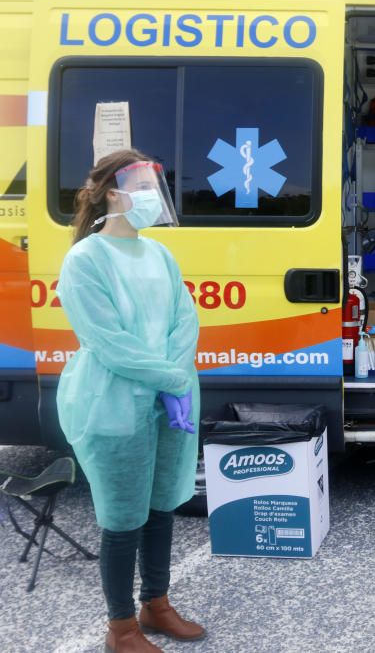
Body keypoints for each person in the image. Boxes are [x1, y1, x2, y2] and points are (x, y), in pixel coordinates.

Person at [56, 150, 204, 653]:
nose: (150, 196)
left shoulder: (159, 254)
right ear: (113, 193)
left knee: (161, 505)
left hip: (166, 398)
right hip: (113, 401)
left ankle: (155, 604)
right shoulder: (85, 260)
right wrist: (166, 378)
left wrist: (175, 381)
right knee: (123, 518)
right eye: (140, 184)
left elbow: (185, 320)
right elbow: (108, 340)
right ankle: (121, 628)